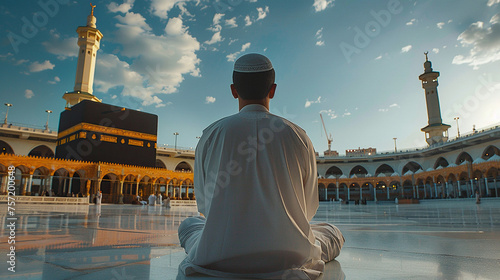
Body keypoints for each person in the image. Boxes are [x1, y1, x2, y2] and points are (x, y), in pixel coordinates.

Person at [178, 53, 344, 279]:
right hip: (292, 256)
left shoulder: (211, 134)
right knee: (332, 232)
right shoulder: (299, 136)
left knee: (190, 224)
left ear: (233, 90)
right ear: (273, 90)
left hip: (217, 254)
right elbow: (308, 209)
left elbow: (205, 206)